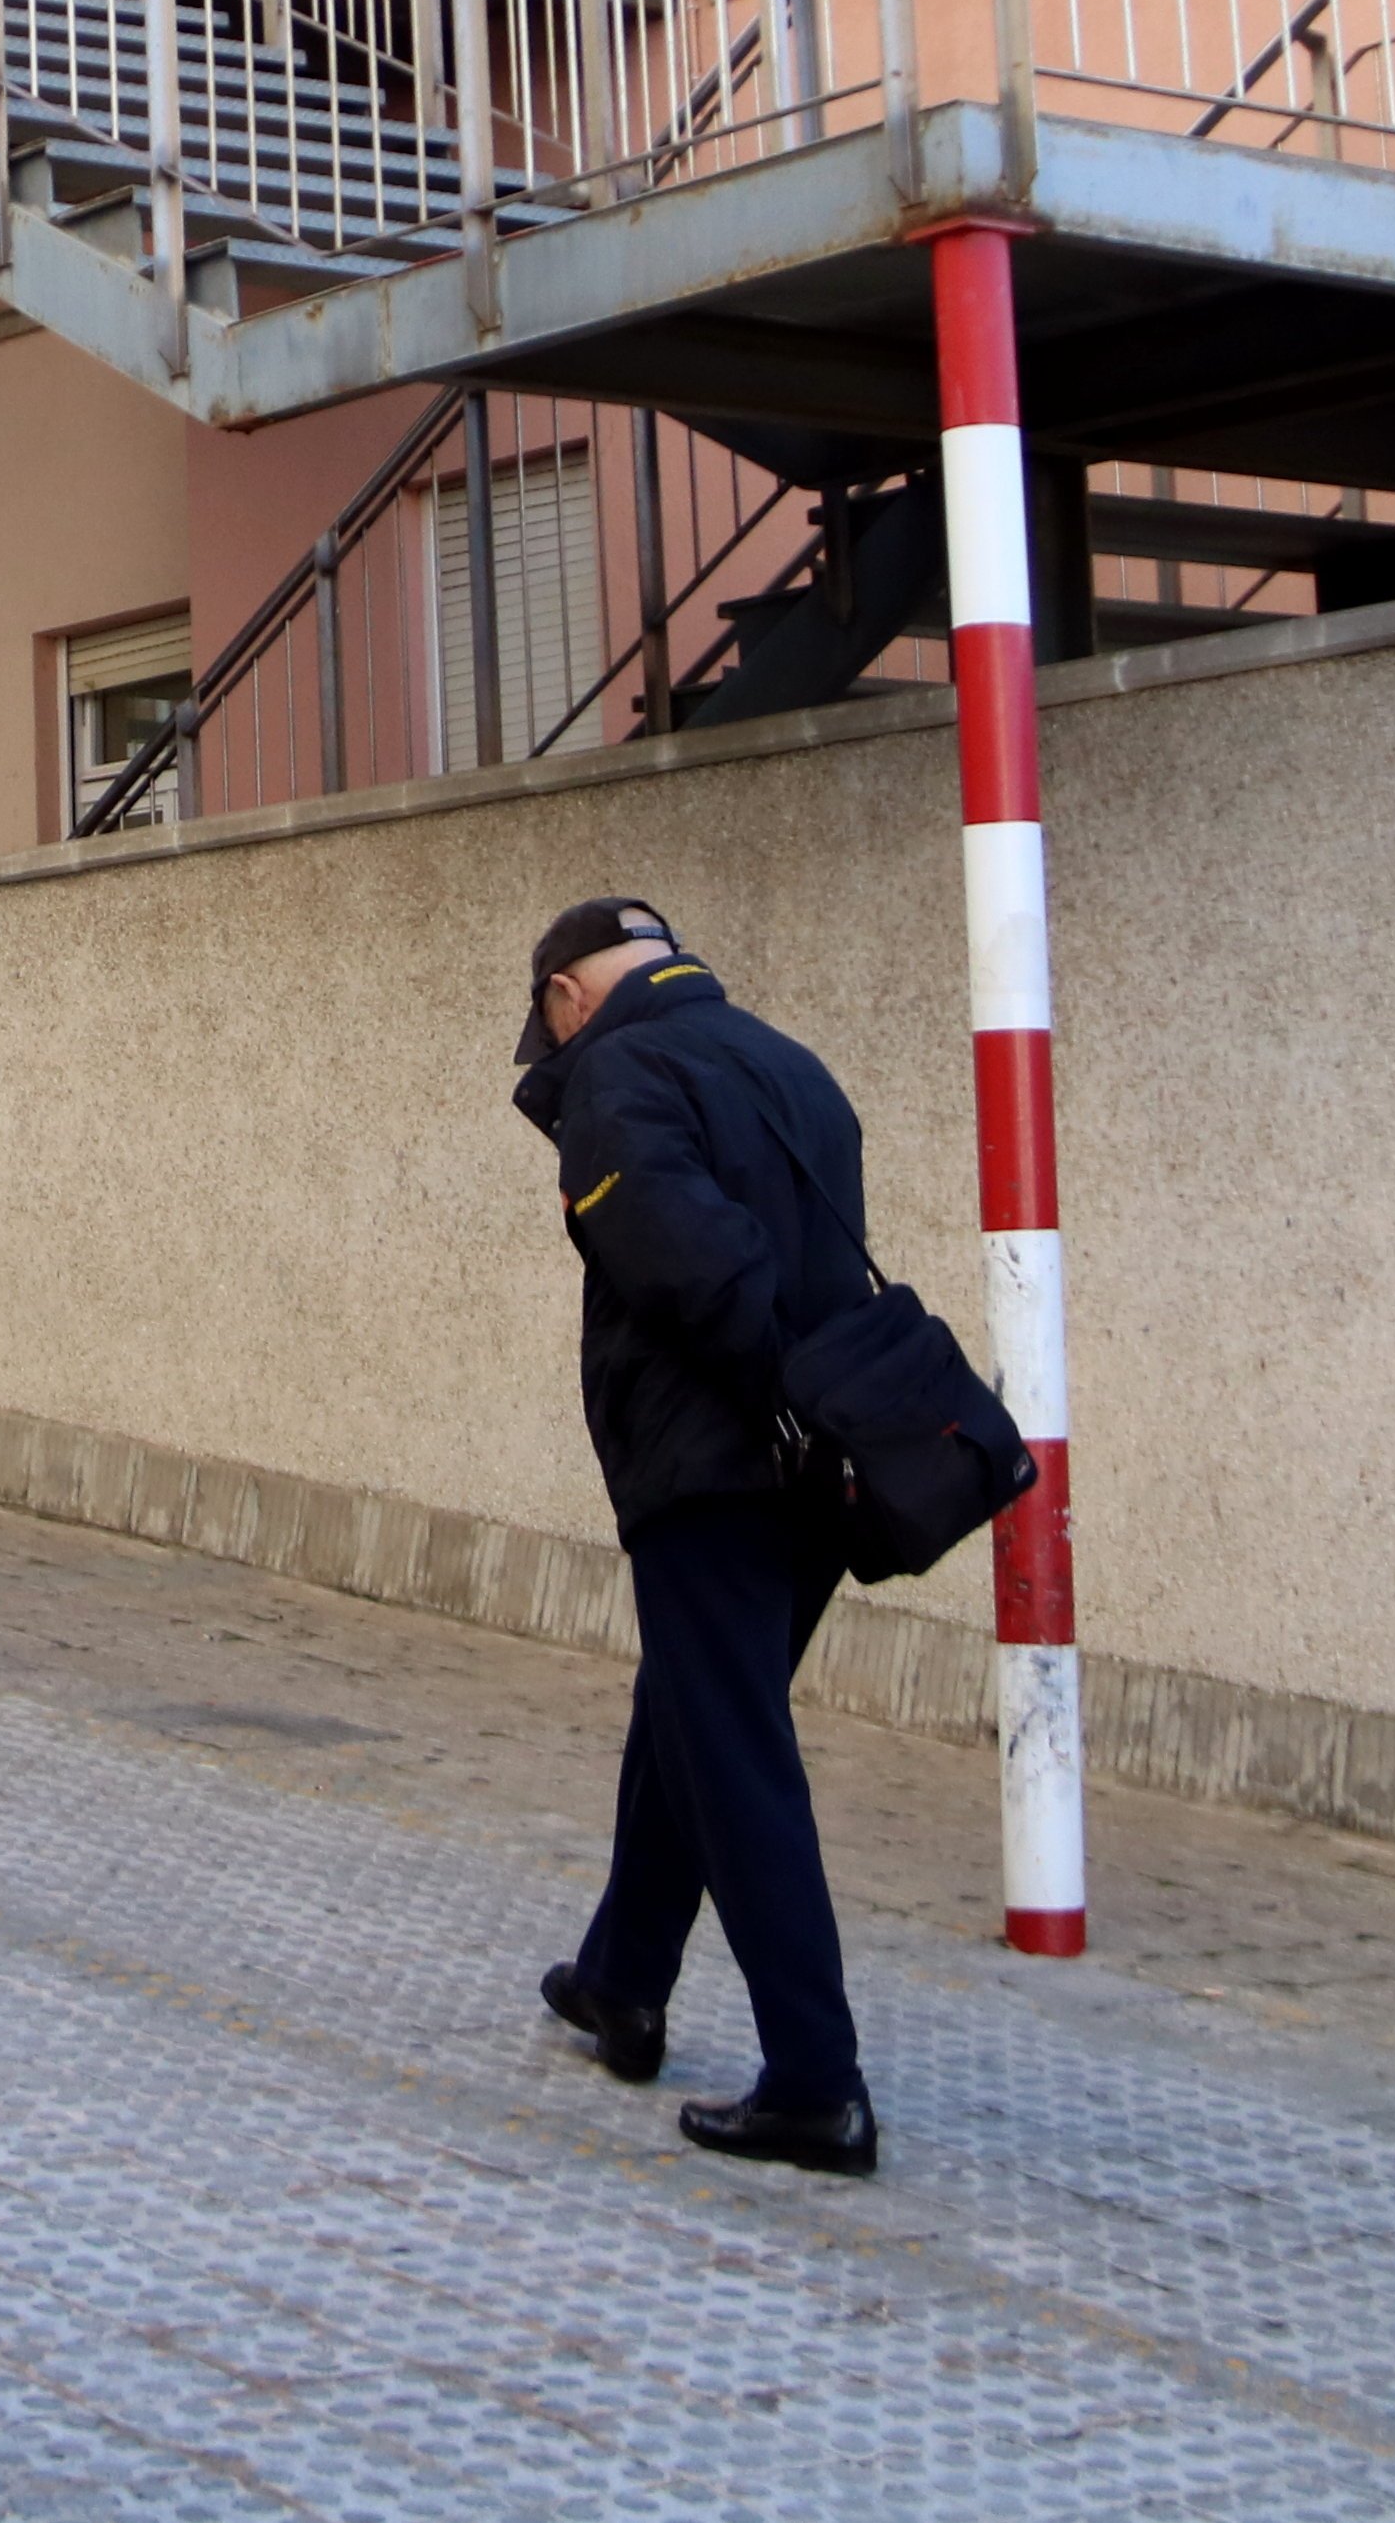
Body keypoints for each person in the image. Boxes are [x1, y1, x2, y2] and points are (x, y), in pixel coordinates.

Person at [507, 895, 882, 2176]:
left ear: (568, 992)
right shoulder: (787, 1059)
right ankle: (621, 1978)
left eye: (547, 1020)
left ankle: (815, 2083)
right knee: (688, 1711)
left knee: (732, 1755)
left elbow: (684, 1257)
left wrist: (764, 1389)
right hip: (824, 1457)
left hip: (716, 1461)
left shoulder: (617, 1068)